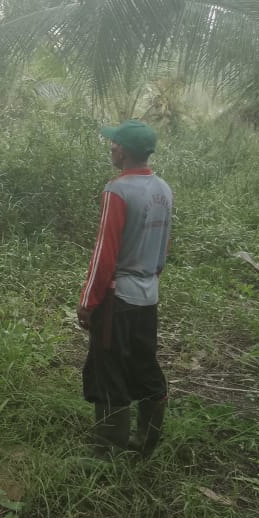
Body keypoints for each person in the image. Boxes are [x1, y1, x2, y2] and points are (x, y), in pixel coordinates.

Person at [77, 119, 172, 457]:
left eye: (115, 143)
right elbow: (162, 248)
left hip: (118, 299)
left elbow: (105, 254)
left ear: (127, 151)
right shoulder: (163, 189)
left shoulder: (117, 190)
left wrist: (89, 301)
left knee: (109, 368)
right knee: (144, 363)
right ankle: (146, 441)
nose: (111, 147)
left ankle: (108, 450)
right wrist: (151, 280)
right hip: (148, 296)